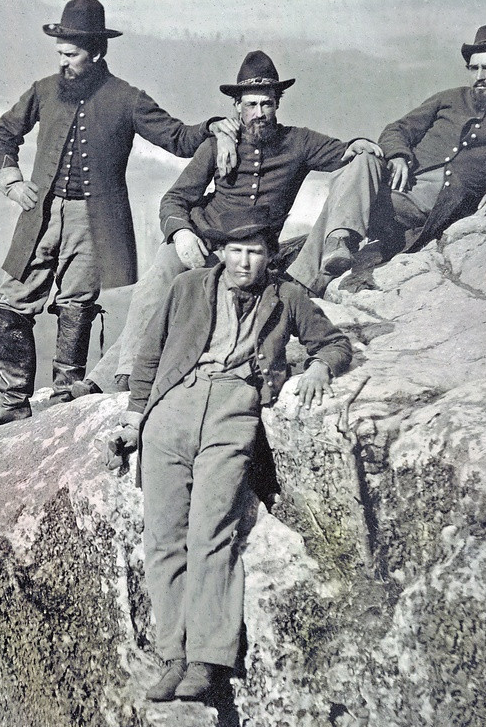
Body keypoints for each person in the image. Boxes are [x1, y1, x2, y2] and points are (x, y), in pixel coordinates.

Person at [103, 207, 352, 702]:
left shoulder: (287, 297)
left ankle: (206, 659)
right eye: (236, 250)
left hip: (234, 408)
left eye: (255, 252)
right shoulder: (188, 288)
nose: (244, 261)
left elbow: (335, 343)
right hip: (172, 407)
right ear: (220, 252)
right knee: (163, 536)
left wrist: (321, 367)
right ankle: (173, 655)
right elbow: (149, 355)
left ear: (269, 256)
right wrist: (136, 417)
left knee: (212, 532)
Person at [0, 0, 236, 434]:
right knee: (11, 300)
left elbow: (178, 138)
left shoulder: (127, 99)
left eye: (71, 55)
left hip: (95, 222)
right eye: (60, 54)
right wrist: (11, 180)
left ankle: (64, 402)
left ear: (97, 52)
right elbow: (3, 133)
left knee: (76, 304)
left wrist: (215, 127)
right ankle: (13, 402)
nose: (63, 63)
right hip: (41, 213)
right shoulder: (43, 91)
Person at [76, 49, 380, 394]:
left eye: (266, 104)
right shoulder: (218, 143)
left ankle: (99, 384)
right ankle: (120, 379)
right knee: (155, 285)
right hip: (202, 240)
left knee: (184, 311)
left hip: (250, 251)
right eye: (251, 105)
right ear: (237, 106)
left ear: (277, 103)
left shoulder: (298, 142)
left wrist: (360, 146)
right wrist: (181, 232)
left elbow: (346, 153)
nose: (259, 113)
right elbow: (175, 198)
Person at [286, 25, 486, 293]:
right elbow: (396, 129)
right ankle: (338, 241)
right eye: (474, 68)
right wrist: (398, 155)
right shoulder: (448, 99)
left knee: (344, 191)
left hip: (428, 211)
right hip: (389, 192)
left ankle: (304, 281)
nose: (479, 76)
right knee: (364, 157)